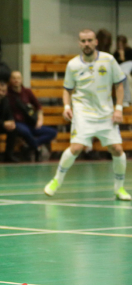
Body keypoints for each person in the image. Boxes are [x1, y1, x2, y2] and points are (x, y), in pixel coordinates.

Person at [44, 29, 130, 200]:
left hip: (106, 113)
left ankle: (119, 188)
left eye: (90, 40)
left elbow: (119, 85)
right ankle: (56, 181)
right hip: (83, 112)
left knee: (117, 149)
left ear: (96, 42)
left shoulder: (108, 60)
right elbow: (67, 90)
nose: (87, 44)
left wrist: (119, 108)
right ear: (79, 43)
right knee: (76, 148)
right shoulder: (73, 65)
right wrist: (67, 106)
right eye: (83, 41)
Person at [8, 70, 57, 161]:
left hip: (30, 122)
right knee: (26, 132)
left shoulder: (27, 92)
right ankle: (35, 147)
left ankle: (29, 147)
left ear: (21, 80)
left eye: (18, 78)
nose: (16, 80)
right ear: (10, 80)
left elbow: (38, 107)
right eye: (14, 78)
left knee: (52, 132)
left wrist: (40, 120)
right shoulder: (7, 94)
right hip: (17, 123)